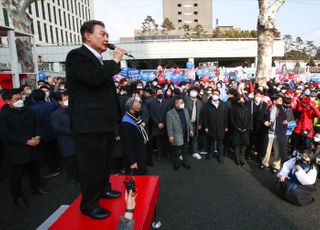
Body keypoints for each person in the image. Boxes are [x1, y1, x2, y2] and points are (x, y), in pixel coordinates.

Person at [65, 20, 126, 220]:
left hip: (104, 123)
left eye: (107, 35)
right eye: (102, 34)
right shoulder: (77, 56)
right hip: (88, 124)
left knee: (104, 161)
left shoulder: (100, 60)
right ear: (87, 35)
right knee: (90, 166)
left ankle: (103, 189)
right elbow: (93, 79)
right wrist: (115, 61)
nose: (106, 38)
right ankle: (89, 205)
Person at [0, 89, 47, 209]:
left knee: (34, 169)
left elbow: (37, 123)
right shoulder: (4, 115)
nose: (19, 101)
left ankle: (36, 187)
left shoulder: (28, 109)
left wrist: (37, 136)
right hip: (17, 150)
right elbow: (6, 134)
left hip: (33, 145)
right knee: (17, 175)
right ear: (8, 102)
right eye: (16, 100)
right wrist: (25, 141)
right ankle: (18, 197)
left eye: (20, 98)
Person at [51, 92, 78, 188]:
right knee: (70, 162)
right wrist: (74, 131)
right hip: (66, 141)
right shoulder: (55, 114)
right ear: (59, 102)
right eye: (65, 99)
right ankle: (72, 179)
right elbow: (57, 128)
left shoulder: (74, 110)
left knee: (79, 161)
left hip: (78, 140)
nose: (68, 101)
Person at [119, 98, 148, 175]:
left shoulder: (135, 117)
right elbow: (126, 145)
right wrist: (132, 162)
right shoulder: (126, 123)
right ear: (131, 108)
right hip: (134, 158)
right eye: (137, 104)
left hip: (139, 153)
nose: (140, 105)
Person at [260, 95, 287, 174]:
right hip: (268, 133)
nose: (281, 102)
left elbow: (285, 123)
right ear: (274, 101)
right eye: (280, 100)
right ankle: (264, 162)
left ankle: (276, 165)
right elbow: (260, 117)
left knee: (277, 151)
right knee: (266, 150)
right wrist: (264, 122)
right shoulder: (267, 108)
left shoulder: (282, 111)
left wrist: (283, 133)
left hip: (278, 134)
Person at [166, 96, 193, 170]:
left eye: (183, 102)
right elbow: (169, 126)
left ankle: (185, 163)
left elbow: (188, 121)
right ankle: (177, 163)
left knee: (185, 150)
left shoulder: (185, 110)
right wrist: (170, 136)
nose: (183, 104)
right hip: (176, 135)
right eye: (181, 103)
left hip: (185, 134)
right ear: (176, 104)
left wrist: (191, 130)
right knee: (176, 151)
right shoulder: (170, 113)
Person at [202, 89, 228, 162]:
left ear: (219, 96)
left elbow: (225, 116)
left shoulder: (223, 105)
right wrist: (206, 126)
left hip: (221, 126)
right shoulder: (207, 105)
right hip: (211, 126)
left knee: (220, 142)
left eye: (216, 94)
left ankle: (220, 156)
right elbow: (205, 117)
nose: (215, 95)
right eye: (214, 94)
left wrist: (226, 126)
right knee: (211, 141)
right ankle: (211, 154)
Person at [230, 95, 251, 166]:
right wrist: (236, 127)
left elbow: (250, 119)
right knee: (237, 146)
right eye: (240, 100)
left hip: (245, 130)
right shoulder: (233, 108)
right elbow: (232, 119)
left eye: (243, 100)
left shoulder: (247, 108)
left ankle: (242, 158)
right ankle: (237, 159)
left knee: (244, 146)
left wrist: (247, 128)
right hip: (237, 130)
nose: (241, 101)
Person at [185, 87, 204, 160]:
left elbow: (201, 114)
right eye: (192, 90)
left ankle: (195, 152)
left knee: (195, 138)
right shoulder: (186, 99)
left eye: (195, 91)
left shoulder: (200, 102)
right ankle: (182, 153)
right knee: (185, 137)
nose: (193, 92)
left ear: (197, 93)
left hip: (195, 122)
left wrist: (200, 123)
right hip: (187, 122)